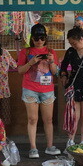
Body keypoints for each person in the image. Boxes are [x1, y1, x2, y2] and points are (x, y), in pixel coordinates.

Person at [17, 24, 60, 158]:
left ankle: (49, 146)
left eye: (42, 38)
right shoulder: (26, 52)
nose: (39, 41)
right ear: (32, 38)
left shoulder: (51, 52)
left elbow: (55, 72)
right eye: (36, 38)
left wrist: (52, 61)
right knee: (32, 119)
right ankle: (33, 148)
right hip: (30, 89)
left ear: (46, 38)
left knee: (48, 119)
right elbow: (20, 71)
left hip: (47, 89)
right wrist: (31, 62)